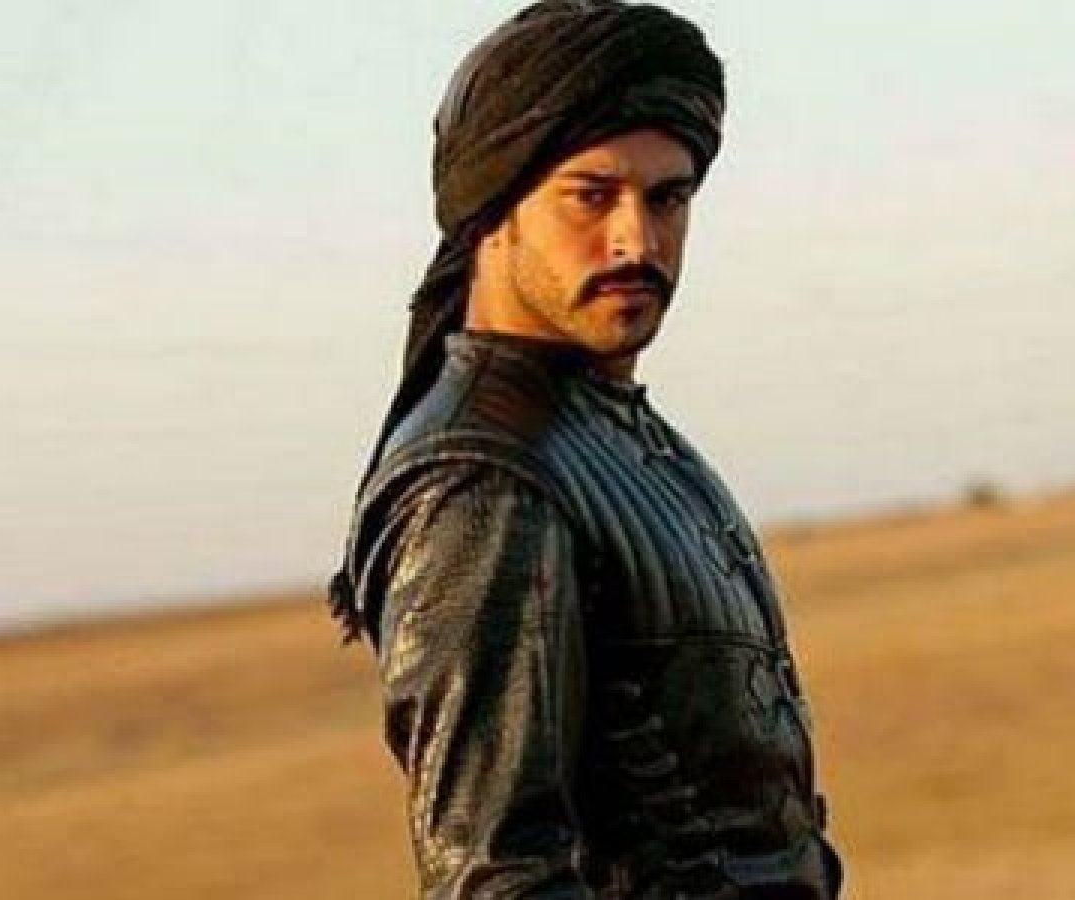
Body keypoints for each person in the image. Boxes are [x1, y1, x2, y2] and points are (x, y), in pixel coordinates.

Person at [330, 2, 844, 897]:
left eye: (667, 198)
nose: (636, 240)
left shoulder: (624, 436)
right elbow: (501, 878)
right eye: (591, 195)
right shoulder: (482, 478)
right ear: (494, 210)